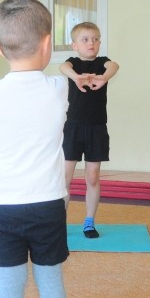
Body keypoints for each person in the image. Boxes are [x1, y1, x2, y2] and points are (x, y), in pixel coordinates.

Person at [0, 0, 79, 298]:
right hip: (47, 204)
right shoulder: (58, 88)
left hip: (4, 206)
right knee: (50, 280)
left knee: (9, 283)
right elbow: (63, 72)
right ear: (47, 44)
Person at [59, 22, 119, 238]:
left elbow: (114, 66)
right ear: (75, 45)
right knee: (65, 178)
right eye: (85, 39)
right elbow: (63, 67)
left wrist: (104, 77)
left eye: (95, 39)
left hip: (96, 128)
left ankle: (89, 222)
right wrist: (76, 77)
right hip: (73, 127)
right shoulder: (73, 64)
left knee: (92, 177)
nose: (91, 43)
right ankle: (58, 224)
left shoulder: (102, 63)